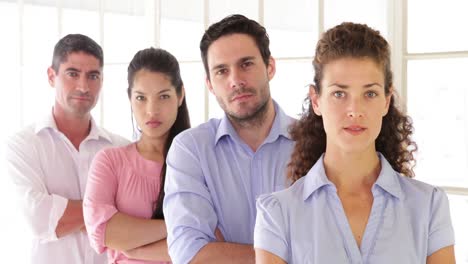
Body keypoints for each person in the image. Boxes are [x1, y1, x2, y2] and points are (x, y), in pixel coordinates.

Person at [253, 22, 456, 264]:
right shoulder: (278, 213)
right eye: (339, 93)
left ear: (386, 101)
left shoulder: (428, 206)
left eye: (369, 94)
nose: (354, 110)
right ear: (316, 100)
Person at [162, 14, 296, 264]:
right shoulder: (190, 149)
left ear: (270, 67)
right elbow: (189, 253)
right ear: (210, 84)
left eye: (246, 64)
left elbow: (328, 244)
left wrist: (221, 249)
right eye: (222, 71)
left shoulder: (315, 142)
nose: (235, 81)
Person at [4, 34, 129, 264]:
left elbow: (135, 218)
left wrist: (71, 213)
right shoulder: (22, 146)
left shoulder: (122, 148)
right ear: (52, 76)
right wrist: (111, 212)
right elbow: (39, 220)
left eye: (93, 76)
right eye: (73, 74)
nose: (83, 86)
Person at [83, 47, 190, 263]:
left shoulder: (199, 162)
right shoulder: (110, 162)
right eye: (141, 97)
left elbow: (211, 239)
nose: (152, 110)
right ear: (130, 98)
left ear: (180, 95)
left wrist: (137, 249)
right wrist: (180, 226)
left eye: (164, 96)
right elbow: (105, 232)